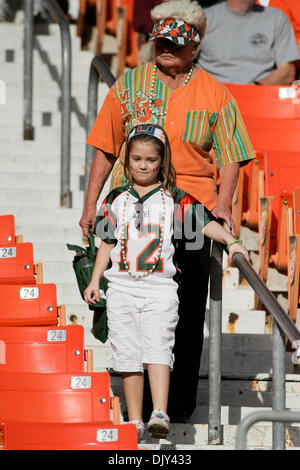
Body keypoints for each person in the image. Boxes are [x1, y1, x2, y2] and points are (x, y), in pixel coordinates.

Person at [79, 0, 255, 423]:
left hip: (188, 215)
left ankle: (175, 408)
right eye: (160, 42)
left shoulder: (216, 93)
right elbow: (106, 146)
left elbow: (231, 155)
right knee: (127, 308)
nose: (166, 50)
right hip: (133, 213)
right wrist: (90, 205)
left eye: (175, 44)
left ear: (195, 45)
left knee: (187, 310)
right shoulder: (130, 84)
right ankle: (137, 407)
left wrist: (224, 204)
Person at [83, 124, 250, 442]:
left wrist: (233, 242)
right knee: (128, 355)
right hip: (121, 286)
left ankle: (159, 410)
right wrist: (95, 282)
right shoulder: (116, 198)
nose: (143, 165)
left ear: (163, 162)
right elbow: (105, 242)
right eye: (136, 159)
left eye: (150, 160)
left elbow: (204, 224)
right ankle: (134, 418)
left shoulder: (174, 199)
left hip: (160, 288)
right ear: (127, 160)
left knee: (159, 347)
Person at [196, 0, 300, 85]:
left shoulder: (277, 18)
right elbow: (182, 63)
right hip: (212, 98)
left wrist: (253, 88)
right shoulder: (204, 19)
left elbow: (287, 72)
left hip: (259, 96)